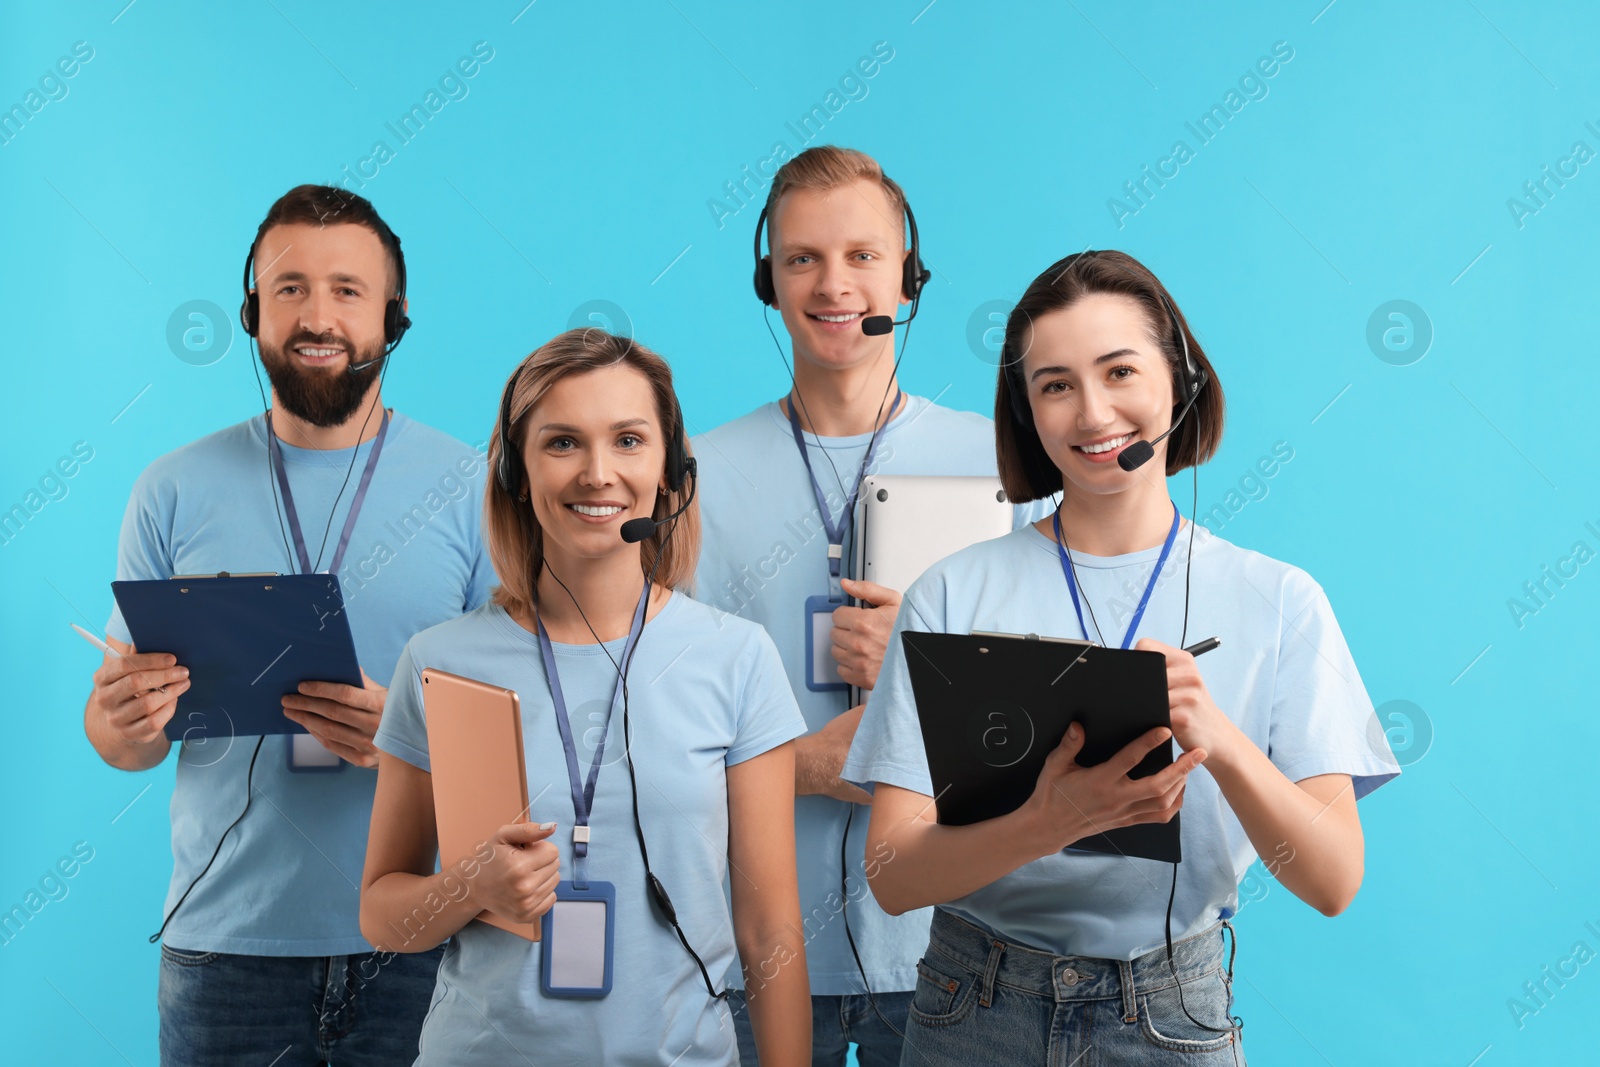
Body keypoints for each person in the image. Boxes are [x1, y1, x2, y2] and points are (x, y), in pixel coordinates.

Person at [842, 250, 1401, 1064]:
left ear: (1180, 379)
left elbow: (1332, 879)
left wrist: (1215, 732)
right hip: (976, 1005)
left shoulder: (1280, 599)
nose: (1094, 413)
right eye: (1056, 385)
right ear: (1028, 412)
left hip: (1170, 1013)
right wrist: (1050, 822)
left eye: (1119, 372)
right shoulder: (953, 593)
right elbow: (892, 874)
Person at [83, 185, 494, 1065]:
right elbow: (122, 743)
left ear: (395, 313)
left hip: (424, 940)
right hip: (225, 951)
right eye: (290, 288)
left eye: (348, 289)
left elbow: (527, 734)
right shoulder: (172, 487)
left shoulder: (475, 488)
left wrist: (405, 741)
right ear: (251, 312)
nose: (318, 315)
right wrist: (119, 723)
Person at [361, 328, 812, 1065]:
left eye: (629, 440)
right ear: (515, 469)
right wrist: (468, 887)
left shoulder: (737, 657)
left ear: (671, 470)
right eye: (563, 442)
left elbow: (771, 931)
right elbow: (381, 912)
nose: (598, 473)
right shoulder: (439, 660)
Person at [691, 144, 1051, 1066]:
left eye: (862, 256)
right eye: (802, 258)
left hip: (959, 951)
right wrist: (793, 767)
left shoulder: (1011, 472)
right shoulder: (691, 478)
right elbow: (640, 716)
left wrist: (935, 666)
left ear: (909, 275)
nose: (832, 283)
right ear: (767, 282)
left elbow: (1068, 707)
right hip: (749, 955)